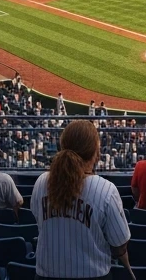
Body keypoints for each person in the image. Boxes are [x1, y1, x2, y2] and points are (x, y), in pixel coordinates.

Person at [30, 119, 132, 280]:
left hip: (45, 275)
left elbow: (39, 222)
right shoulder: (106, 190)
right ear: (95, 153)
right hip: (94, 276)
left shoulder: (41, 182)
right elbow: (119, 247)